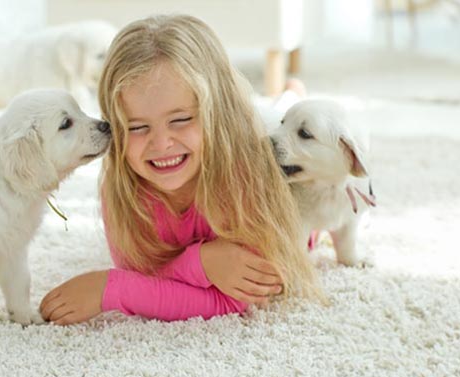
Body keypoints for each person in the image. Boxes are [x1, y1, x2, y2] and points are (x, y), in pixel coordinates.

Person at [39, 15, 322, 325]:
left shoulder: (247, 174)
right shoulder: (124, 187)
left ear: (219, 114)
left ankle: (293, 96)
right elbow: (142, 272)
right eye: (137, 126)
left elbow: (236, 298)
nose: (160, 144)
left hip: (273, 144)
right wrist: (201, 263)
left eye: (180, 120)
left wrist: (112, 289)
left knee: (287, 118)